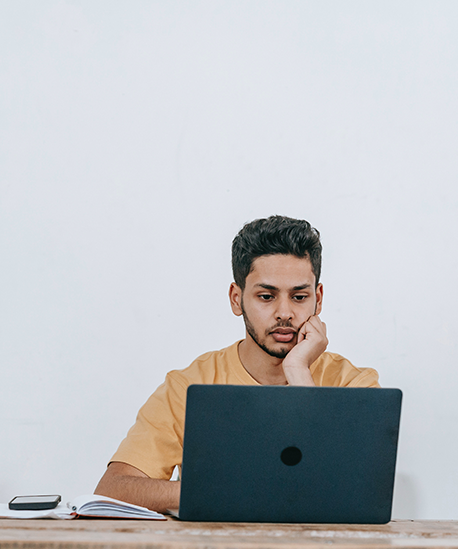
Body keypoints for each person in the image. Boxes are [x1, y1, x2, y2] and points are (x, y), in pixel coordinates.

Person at [94, 215, 380, 512]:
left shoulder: (355, 386)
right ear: (236, 299)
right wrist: (231, 490)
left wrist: (298, 372)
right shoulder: (190, 385)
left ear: (318, 300)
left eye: (299, 296)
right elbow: (113, 490)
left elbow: (357, 493)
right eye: (266, 296)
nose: (285, 312)